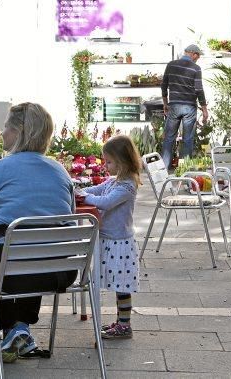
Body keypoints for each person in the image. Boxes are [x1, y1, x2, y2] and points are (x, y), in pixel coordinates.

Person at [0, 102, 76, 363]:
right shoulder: (60, 171)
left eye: (6, 126)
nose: (2, 132)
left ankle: (12, 329)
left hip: (9, 266)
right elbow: (69, 217)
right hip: (58, 270)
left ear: (19, 131)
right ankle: (20, 331)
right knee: (33, 251)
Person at [78, 134, 142, 339]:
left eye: (109, 161)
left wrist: (84, 197)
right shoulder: (114, 181)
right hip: (111, 241)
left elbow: (105, 202)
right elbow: (96, 189)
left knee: (122, 286)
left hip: (120, 244)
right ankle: (121, 322)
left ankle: (125, 326)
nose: (105, 165)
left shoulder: (127, 186)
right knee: (117, 284)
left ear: (123, 161)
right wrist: (79, 189)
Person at [160, 44, 208, 170]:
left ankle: (164, 169)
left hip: (174, 106)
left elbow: (163, 85)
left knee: (169, 138)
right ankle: (184, 170)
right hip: (189, 107)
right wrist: (204, 109)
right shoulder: (196, 68)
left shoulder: (171, 65)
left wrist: (165, 103)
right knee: (187, 139)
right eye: (198, 56)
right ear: (194, 54)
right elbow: (199, 89)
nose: (198, 59)